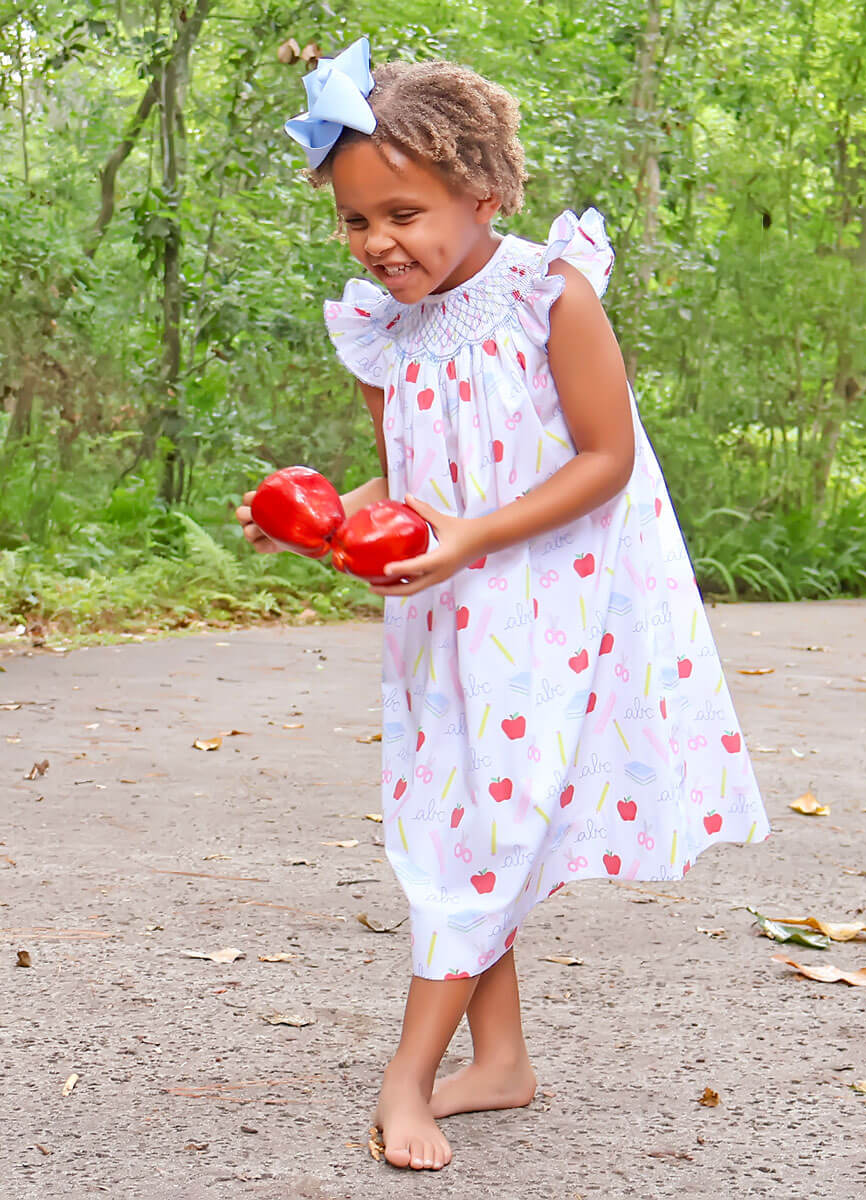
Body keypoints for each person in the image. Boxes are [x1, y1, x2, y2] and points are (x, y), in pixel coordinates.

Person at [237, 37, 769, 1172]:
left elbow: (606, 458)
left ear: (485, 193)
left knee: (487, 823)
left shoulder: (549, 292)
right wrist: (324, 513)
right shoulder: (386, 330)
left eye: (405, 213)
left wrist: (473, 534)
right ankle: (504, 1059)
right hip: (447, 610)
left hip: (551, 605)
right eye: (355, 222)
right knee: (464, 816)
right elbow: (406, 483)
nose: (380, 243)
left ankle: (408, 1076)